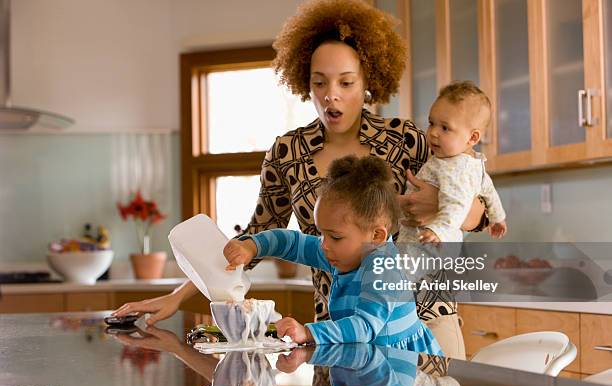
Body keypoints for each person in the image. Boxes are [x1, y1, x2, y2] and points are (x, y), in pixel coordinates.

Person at [112, 0, 487, 359]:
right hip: (337, 332)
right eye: (319, 82)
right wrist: (176, 296)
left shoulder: (404, 138)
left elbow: (478, 209)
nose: (331, 96)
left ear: (367, 81)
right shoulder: (288, 152)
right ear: (303, 82)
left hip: (425, 321)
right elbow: (253, 241)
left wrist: (445, 206)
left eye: (346, 83)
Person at [224, 156, 443, 354]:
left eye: (335, 237)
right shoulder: (343, 252)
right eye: (322, 234)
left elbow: (365, 327)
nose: (324, 245)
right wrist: (252, 246)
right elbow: (292, 243)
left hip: (403, 369)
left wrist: (308, 333)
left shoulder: (383, 267)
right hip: (368, 363)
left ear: (376, 236)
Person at [399, 81, 506, 244]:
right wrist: (497, 217)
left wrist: (437, 230)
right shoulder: (475, 165)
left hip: (425, 240)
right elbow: (489, 191)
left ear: (472, 138)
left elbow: (456, 203)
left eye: (445, 128)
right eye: (431, 123)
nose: (433, 132)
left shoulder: (454, 168)